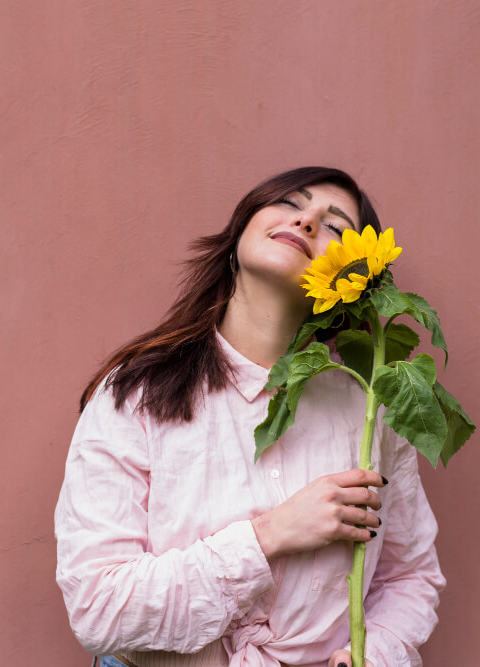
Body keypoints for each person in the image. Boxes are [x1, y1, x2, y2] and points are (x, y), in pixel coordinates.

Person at [54, 167, 445, 667]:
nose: (306, 221)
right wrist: (271, 535)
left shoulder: (370, 408)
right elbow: (99, 607)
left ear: (356, 280)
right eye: (289, 203)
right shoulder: (137, 394)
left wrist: (374, 655)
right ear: (242, 227)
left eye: (336, 228)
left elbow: (409, 576)